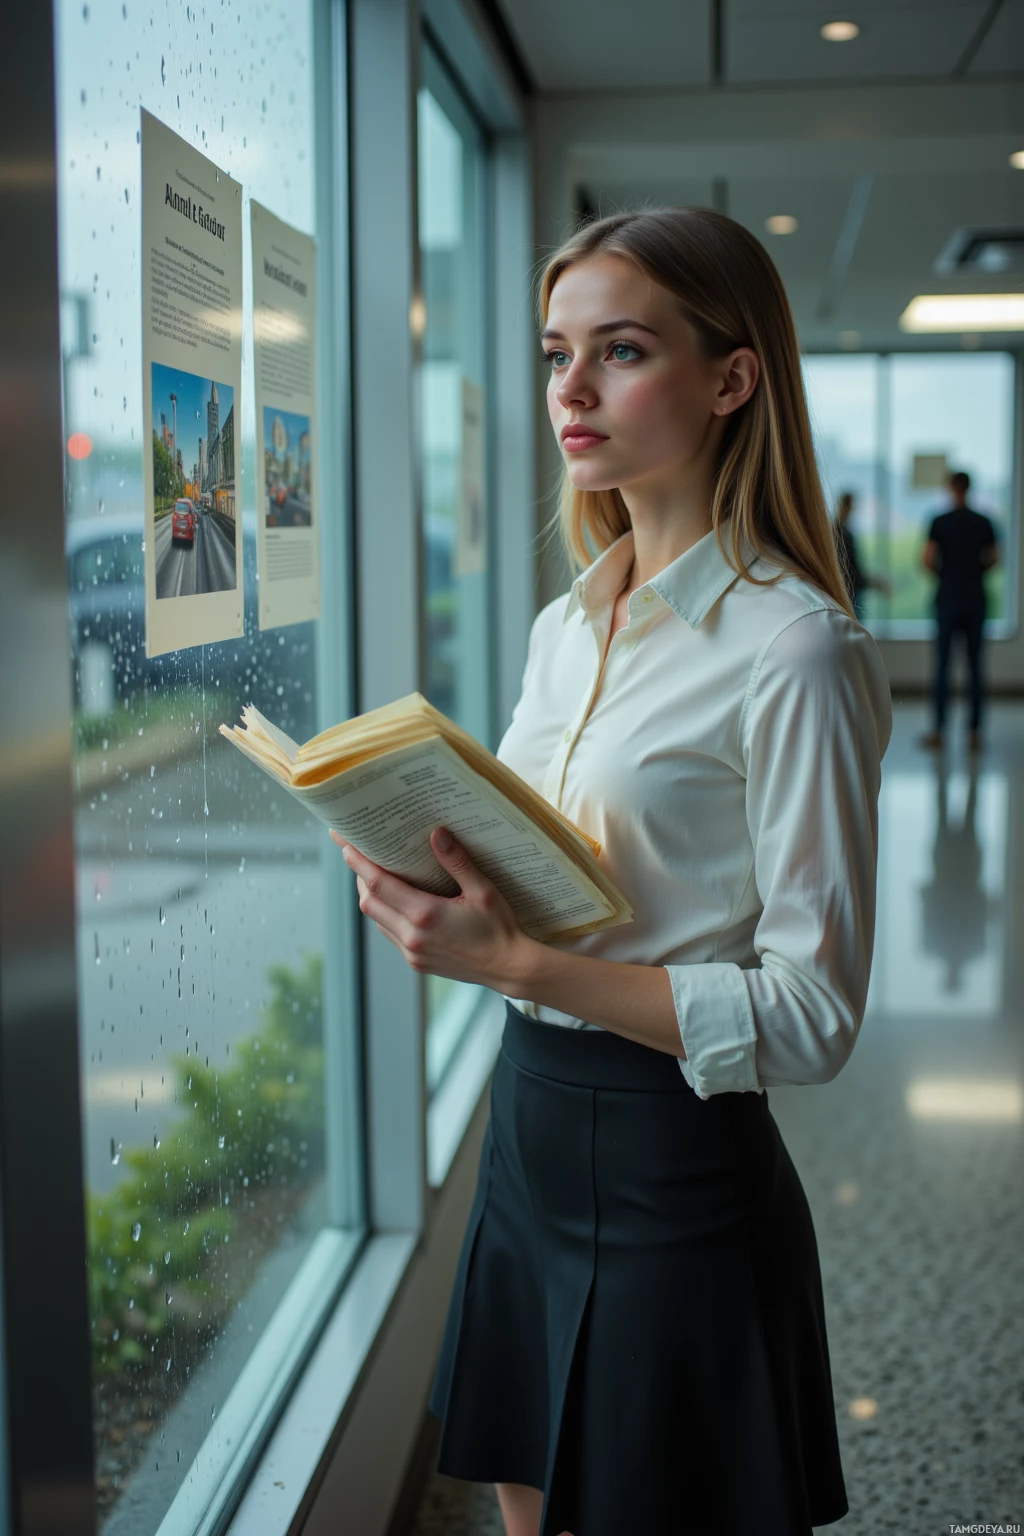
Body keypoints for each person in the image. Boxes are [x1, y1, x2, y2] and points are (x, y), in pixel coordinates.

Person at [333, 207, 892, 1536]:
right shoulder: (562, 626)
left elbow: (814, 1018)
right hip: (528, 1124)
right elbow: (570, 884)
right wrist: (444, 885)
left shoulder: (797, 650)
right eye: (554, 353)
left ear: (731, 378)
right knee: (528, 1508)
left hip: (675, 1156)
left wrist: (518, 964)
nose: (569, 392)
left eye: (621, 350)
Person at [918, 470, 999, 754]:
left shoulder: (939, 522)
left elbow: (927, 560)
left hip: (948, 599)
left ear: (950, 488)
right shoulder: (984, 522)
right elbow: (995, 559)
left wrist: (946, 573)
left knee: (942, 666)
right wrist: (975, 571)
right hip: (976, 598)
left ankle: (939, 731)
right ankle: (974, 733)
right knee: (976, 667)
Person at [833, 489, 892, 620]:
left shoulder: (838, 531)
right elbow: (851, 568)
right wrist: (874, 583)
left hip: (846, 590)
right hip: (847, 592)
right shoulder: (841, 533)